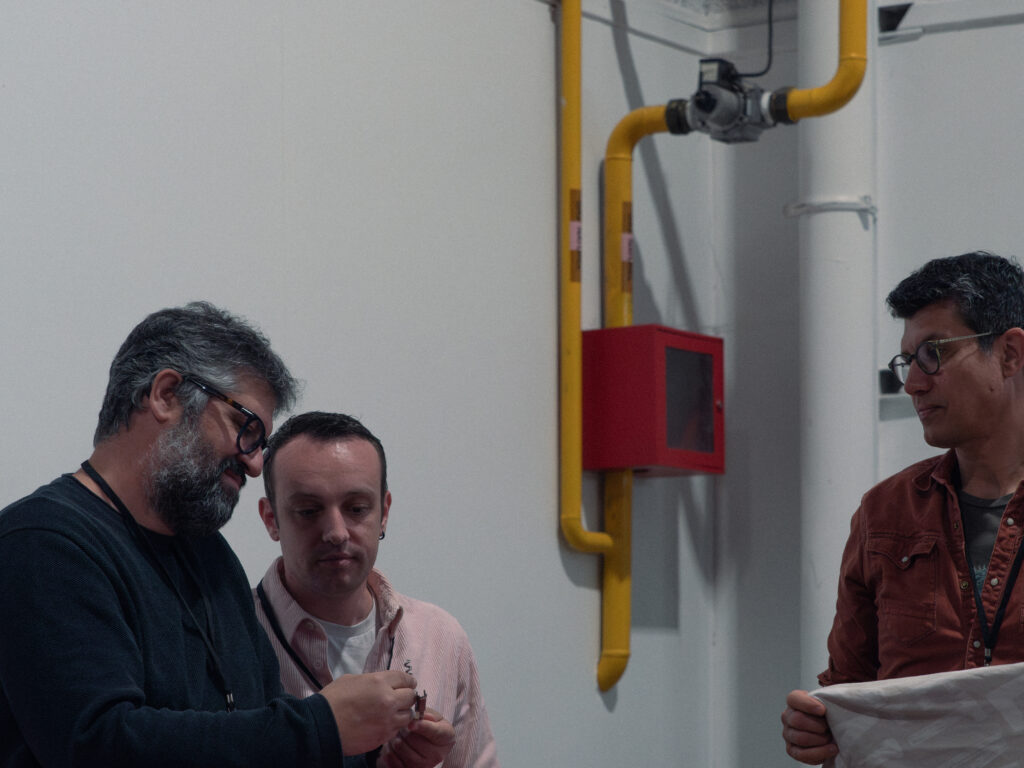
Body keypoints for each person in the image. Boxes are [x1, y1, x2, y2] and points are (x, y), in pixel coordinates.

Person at [0, 302, 421, 768]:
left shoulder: (210, 556)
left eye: (261, 443)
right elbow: (98, 744)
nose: (255, 463)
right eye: (245, 428)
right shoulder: (41, 544)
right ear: (166, 395)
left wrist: (376, 760)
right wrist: (320, 727)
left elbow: (255, 729)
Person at [781, 251, 1024, 764]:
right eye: (907, 360)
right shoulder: (885, 512)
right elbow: (849, 686)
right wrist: (817, 726)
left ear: (1010, 354)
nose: (912, 382)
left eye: (933, 353)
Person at [254, 411, 500, 768]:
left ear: (383, 513)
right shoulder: (231, 636)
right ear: (271, 519)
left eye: (356, 508)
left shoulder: (440, 638)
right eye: (308, 511)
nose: (336, 532)